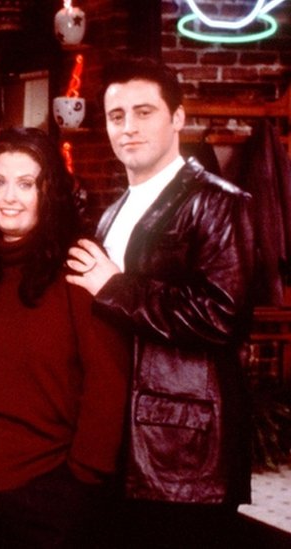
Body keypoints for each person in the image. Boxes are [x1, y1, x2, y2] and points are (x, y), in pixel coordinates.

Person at [66, 57, 255, 548]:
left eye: (144, 112)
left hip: (183, 452)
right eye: (117, 115)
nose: (128, 127)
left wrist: (116, 287)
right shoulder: (114, 211)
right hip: (122, 444)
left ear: (177, 118)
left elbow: (223, 315)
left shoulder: (218, 201)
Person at [0, 127, 128, 548]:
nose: (9, 197)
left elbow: (107, 382)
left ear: (48, 192)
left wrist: (80, 480)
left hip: (54, 495)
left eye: (26, 184)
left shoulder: (80, 266)